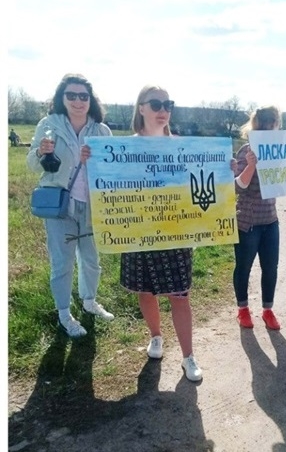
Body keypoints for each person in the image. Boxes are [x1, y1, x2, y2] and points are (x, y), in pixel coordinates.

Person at [25, 73, 115, 337]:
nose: (78, 101)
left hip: (91, 205)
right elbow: (32, 165)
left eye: (83, 96)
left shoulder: (101, 130)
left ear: (91, 100)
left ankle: (89, 303)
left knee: (91, 260)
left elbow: (111, 169)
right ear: (62, 98)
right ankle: (64, 313)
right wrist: (41, 151)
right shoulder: (49, 124)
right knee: (62, 264)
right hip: (60, 205)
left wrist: (95, 159)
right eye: (71, 95)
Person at [122, 85, 202, 381]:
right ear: (140, 108)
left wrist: (224, 169)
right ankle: (156, 336)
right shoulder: (122, 148)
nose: (163, 110)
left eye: (168, 103)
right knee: (145, 289)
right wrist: (89, 159)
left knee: (179, 295)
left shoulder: (182, 146)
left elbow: (199, 185)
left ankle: (188, 356)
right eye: (155, 103)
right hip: (138, 231)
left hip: (175, 232)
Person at [231, 106, 286, 331]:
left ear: (278, 125)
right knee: (244, 267)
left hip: (270, 221)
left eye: (273, 121)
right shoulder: (246, 151)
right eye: (265, 121)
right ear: (256, 124)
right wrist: (250, 165)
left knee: (271, 268)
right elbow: (238, 187)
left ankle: (268, 310)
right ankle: (243, 310)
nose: (269, 125)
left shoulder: (283, 150)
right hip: (247, 222)